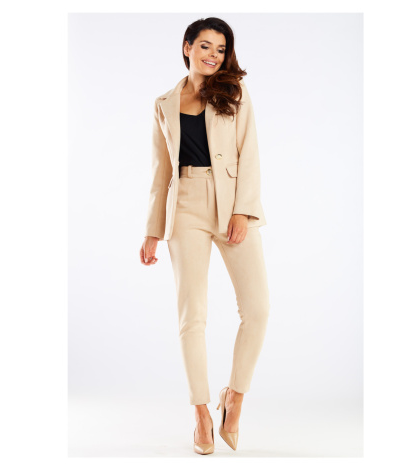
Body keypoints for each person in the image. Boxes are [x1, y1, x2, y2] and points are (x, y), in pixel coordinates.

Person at [140, 17, 270, 454]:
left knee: (258, 309)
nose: (213, 55)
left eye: (221, 48)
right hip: (185, 207)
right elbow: (160, 172)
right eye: (205, 46)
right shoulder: (163, 103)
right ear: (187, 47)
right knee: (191, 314)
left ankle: (234, 396)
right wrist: (152, 230)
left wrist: (242, 210)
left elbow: (249, 152)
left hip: (231, 203)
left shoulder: (234, 91)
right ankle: (200, 412)